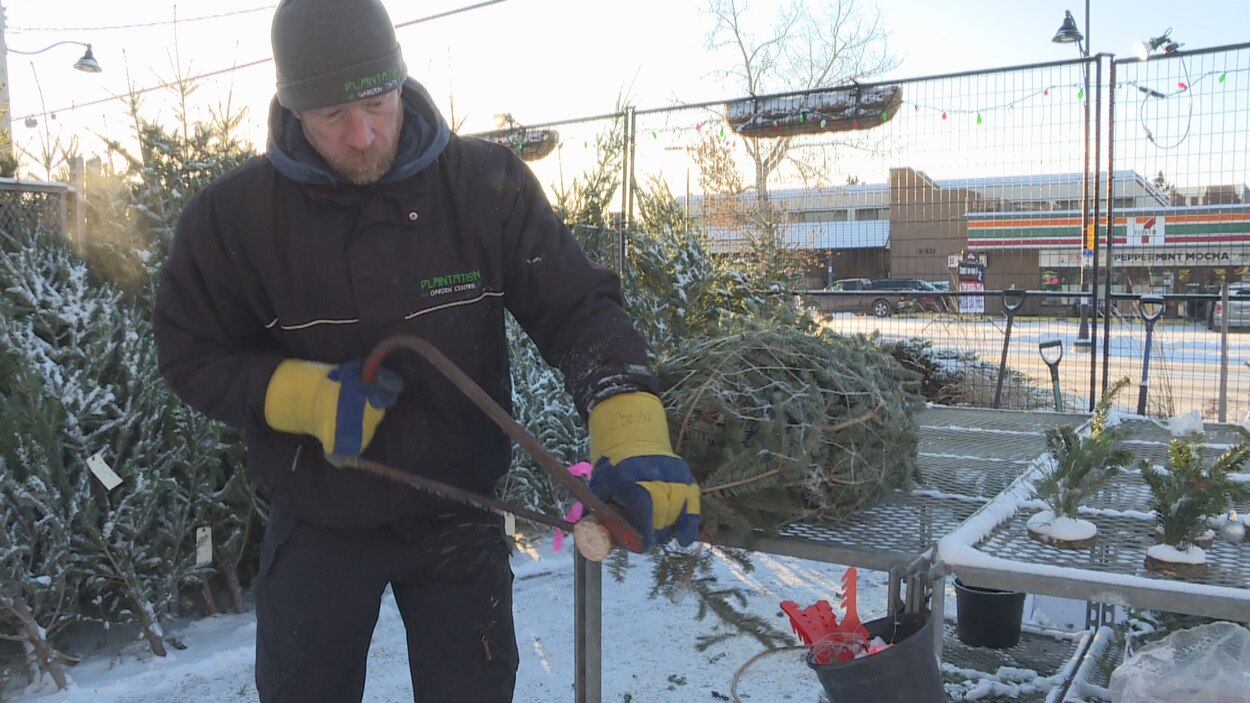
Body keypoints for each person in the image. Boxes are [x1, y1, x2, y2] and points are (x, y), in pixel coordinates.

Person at [151, 1, 700, 701]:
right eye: (332, 116)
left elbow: (578, 309)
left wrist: (631, 424)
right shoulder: (236, 218)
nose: (362, 135)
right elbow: (189, 352)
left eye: (377, 104)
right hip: (319, 515)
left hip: (459, 514)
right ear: (292, 108)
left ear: (400, 80)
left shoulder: (484, 186)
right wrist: (302, 397)